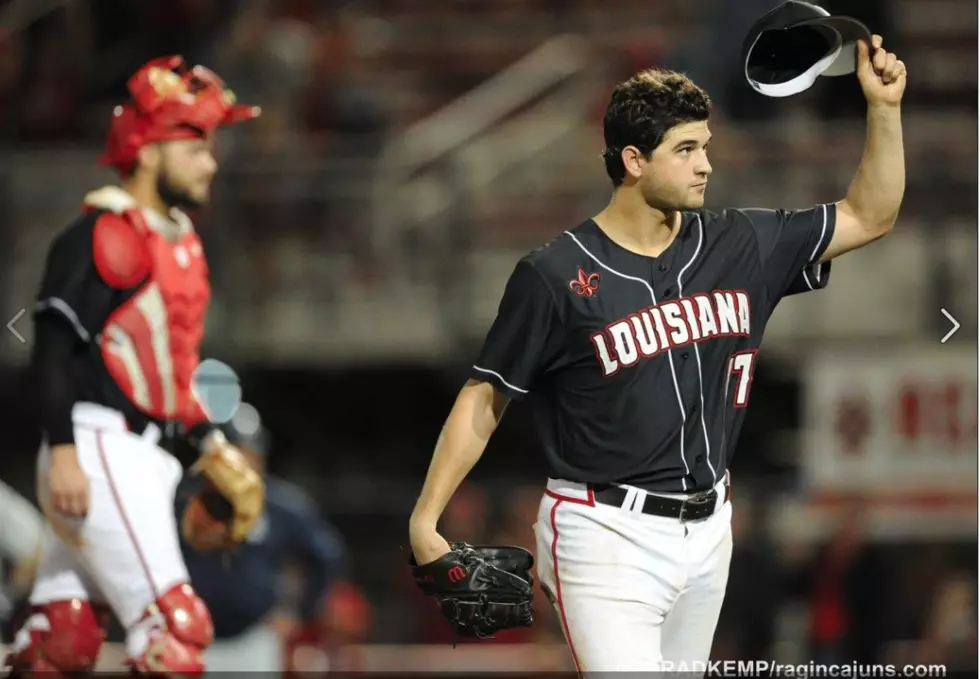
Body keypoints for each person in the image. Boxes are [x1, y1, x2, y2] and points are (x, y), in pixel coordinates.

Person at [409, 35, 906, 672]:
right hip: (603, 529)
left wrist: (884, 110)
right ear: (635, 160)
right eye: (687, 150)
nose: (705, 166)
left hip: (709, 529)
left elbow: (871, 215)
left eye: (706, 147)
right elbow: (485, 397)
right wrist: (427, 520)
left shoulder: (741, 244)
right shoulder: (556, 274)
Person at [5, 55, 264, 677]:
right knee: (174, 632)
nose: (212, 162)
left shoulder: (178, 240)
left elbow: (168, 377)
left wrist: (209, 445)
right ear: (148, 149)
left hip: (136, 458)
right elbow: (51, 348)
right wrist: (63, 448)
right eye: (195, 144)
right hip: (98, 453)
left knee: (62, 643)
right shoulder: (104, 232)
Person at [176, 403, 349, 675]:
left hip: (253, 642)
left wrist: (300, 612)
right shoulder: (185, 500)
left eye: (250, 452)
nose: (243, 461)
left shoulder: (279, 504)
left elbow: (326, 555)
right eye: (235, 452)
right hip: (189, 637)